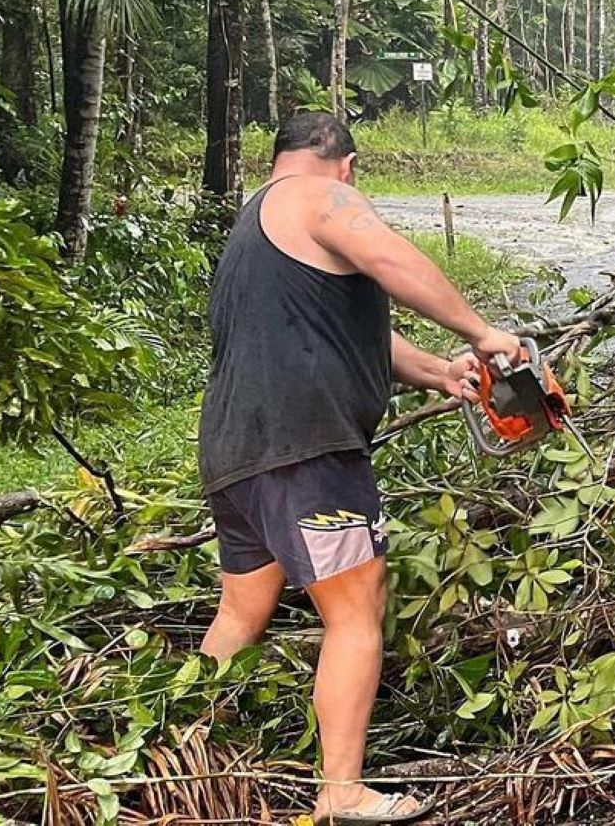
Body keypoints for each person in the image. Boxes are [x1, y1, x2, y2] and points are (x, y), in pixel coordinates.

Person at [197, 112, 529, 824]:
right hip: (308, 447)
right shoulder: (322, 196)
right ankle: (341, 790)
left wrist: (442, 371)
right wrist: (480, 331)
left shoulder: (261, 219)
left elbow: (354, 329)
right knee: (357, 609)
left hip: (236, 451)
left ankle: (184, 745)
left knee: (240, 613)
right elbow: (393, 260)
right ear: (345, 163)